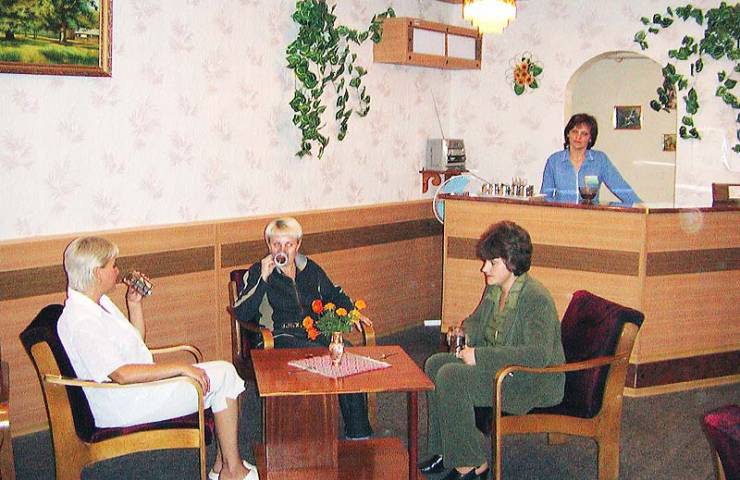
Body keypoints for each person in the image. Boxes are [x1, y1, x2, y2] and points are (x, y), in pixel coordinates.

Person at [57, 237, 257, 480]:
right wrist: (180, 367)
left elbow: (135, 345)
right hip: (124, 402)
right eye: (113, 265)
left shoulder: (99, 304)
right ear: (97, 273)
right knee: (224, 375)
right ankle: (231, 471)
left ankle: (223, 468)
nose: (117, 271)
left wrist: (134, 304)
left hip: (133, 391)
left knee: (223, 374)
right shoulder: (82, 321)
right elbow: (121, 374)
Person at [418, 221, 565, 480]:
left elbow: (537, 355)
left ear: (512, 262)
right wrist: (463, 334)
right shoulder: (496, 288)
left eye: (492, 262)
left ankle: (472, 465)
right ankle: (445, 450)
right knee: (435, 364)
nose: (484, 268)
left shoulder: (536, 299)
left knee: (452, 377)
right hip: (501, 370)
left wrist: (479, 356)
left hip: (528, 380)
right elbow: (477, 322)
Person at [232, 217, 373, 440]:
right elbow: (241, 312)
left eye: (288, 244)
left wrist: (353, 312)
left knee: (344, 352)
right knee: (318, 355)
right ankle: (314, 436)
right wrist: (263, 279)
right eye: (276, 244)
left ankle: (358, 433)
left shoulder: (310, 269)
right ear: (269, 244)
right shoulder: (258, 271)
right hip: (276, 336)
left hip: (312, 332)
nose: (282, 250)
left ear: (298, 244)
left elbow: (333, 294)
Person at [540, 113, 642, 204]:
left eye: (584, 134)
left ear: (590, 138)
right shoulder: (554, 161)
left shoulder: (600, 160)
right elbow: (545, 197)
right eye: (575, 132)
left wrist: (641, 206)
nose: (578, 137)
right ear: (568, 134)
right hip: (561, 216)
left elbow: (620, 187)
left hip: (591, 216)